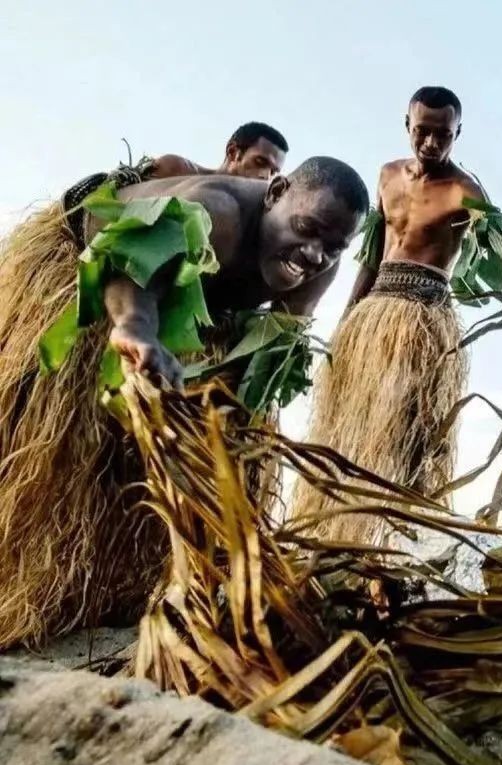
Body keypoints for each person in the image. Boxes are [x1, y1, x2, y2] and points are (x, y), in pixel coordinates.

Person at [0, 157, 366, 649]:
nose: (314, 253)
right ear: (276, 192)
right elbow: (131, 267)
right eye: (307, 228)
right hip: (90, 264)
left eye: (334, 246)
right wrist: (134, 326)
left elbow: (273, 347)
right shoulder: (217, 212)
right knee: (57, 448)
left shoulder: (320, 267)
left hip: (178, 306)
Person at [293, 86, 502, 549]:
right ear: (407, 125)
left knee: (409, 433)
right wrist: (346, 319)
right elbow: (371, 254)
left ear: (457, 133)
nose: (431, 143)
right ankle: (333, 532)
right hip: (373, 315)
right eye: (422, 131)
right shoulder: (386, 176)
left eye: (443, 135)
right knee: (349, 426)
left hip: (424, 322)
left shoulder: (464, 189)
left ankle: (400, 541)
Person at [150, 121, 289, 180]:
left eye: (273, 172)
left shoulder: (255, 214)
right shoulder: (176, 170)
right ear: (233, 152)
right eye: (259, 162)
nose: (266, 176)